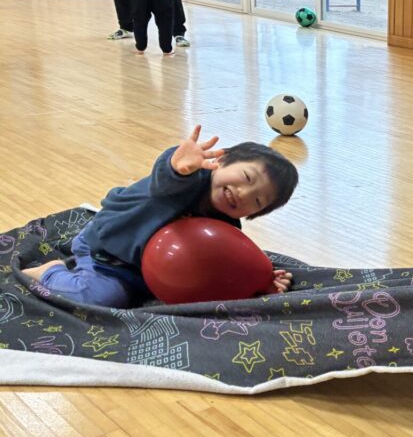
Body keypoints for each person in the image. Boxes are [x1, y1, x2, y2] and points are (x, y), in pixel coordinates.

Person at [23, 127, 299, 308]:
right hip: (109, 252)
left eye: (257, 201)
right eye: (247, 177)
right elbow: (166, 180)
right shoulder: (186, 177)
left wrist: (260, 279)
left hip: (146, 271)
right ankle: (49, 272)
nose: (243, 193)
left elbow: (227, 262)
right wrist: (177, 166)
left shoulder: (225, 225)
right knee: (100, 298)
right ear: (222, 160)